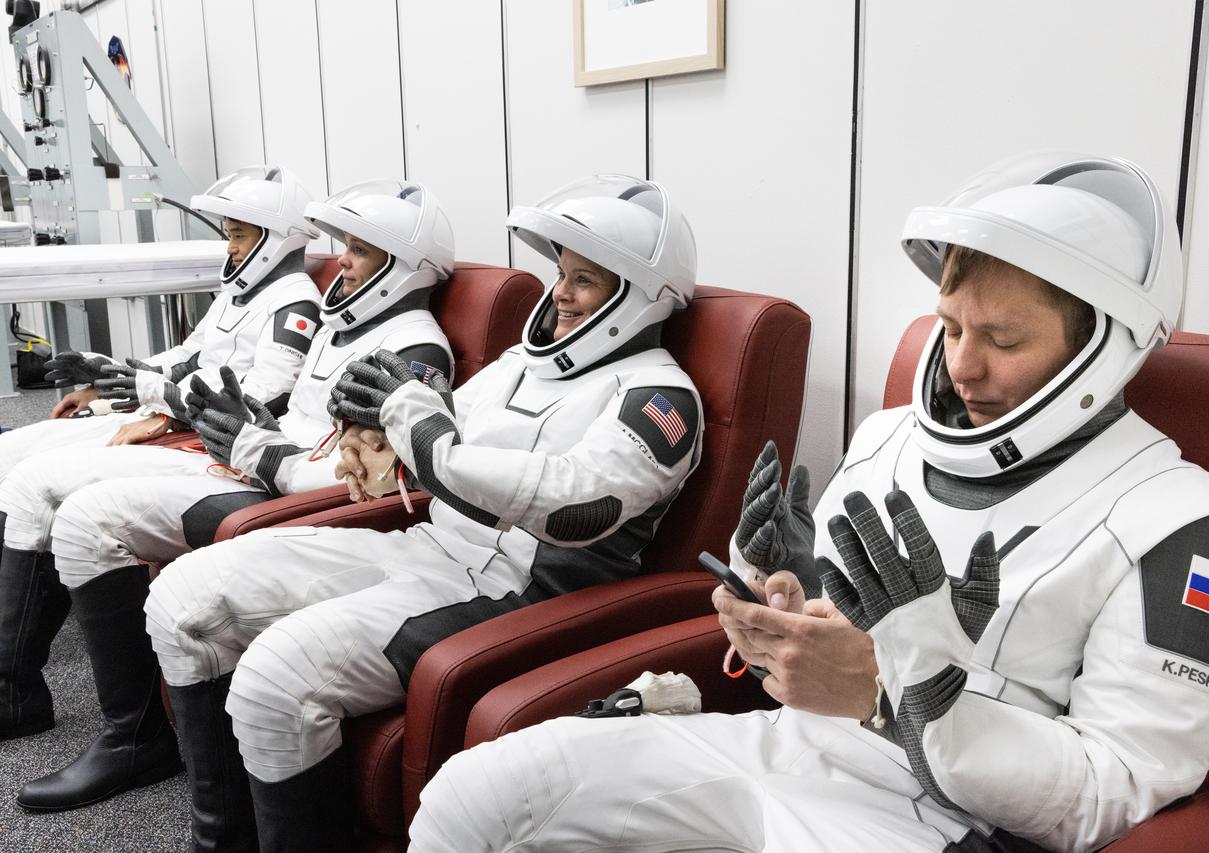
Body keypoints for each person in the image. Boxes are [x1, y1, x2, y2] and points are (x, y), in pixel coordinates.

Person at [409, 153, 1209, 853]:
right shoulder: (891, 436)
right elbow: (846, 633)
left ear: (1106, 347)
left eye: (1002, 340)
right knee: (476, 795)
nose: (962, 365)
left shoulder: (1191, 530)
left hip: (949, 826)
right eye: (953, 327)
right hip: (794, 750)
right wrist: (783, 590)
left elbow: (1109, 795)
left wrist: (900, 697)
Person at [143, 175, 705, 851]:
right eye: (561, 273)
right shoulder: (517, 364)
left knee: (275, 678)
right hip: (427, 546)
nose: (559, 294)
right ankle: (221, 838)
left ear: (639, 299)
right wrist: (381, 424)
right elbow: (431, 435)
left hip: (514, 591)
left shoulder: (662, 399)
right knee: (182, 595)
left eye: (584, 281)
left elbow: (575, 504)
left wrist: (419, 425)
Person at [8, 181, 456, 820]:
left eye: (359, 251)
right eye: (347, 247)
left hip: (272, 488)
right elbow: (269, 406)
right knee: (65, 506)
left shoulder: (413, 349)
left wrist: (260, 451)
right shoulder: (344, 323)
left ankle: (127, 737)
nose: (342, 264)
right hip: (245, 465)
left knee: (79, 514)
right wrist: (229, 426)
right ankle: (130, 735)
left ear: (402, 270)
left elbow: (368, 478)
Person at [0, 165, 321, 746]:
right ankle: (11, 672)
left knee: (35, 482)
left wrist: (155, 398)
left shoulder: (295, 302)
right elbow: (186, 355)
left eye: (241, 233)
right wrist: (109, 374)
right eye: (228, 231)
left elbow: (264, 396)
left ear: (276, 239)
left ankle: (16, 687)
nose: (230, 244)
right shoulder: (242, 293)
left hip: (197, 437)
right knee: (10, 458)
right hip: (171, 418)